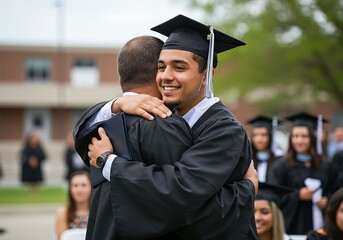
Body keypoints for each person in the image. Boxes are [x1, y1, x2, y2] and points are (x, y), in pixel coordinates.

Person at [77, 15, 257, 240]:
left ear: (206, 75)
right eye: (161, 67)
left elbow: (180, 194)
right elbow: (82, 136)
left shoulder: (223, 129)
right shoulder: (158, 116)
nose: (166, 77)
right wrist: (116, 104)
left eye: (179, 67)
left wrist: (107, 162)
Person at [269, 112, 339, 235]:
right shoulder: (281, 166)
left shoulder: (326, 165)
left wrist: (328, 200)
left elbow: (336, 189)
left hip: (323, 228)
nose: (299, 141)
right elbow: (273, 195)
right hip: (292, 228)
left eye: (304, 136)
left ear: (312, 138)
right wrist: (297, 195)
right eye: (295, 136)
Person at [55, 170, 91, 240]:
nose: (79, 189)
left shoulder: (99, 212)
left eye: (84, 185)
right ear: (70, 189)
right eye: (75, 185)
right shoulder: (63, 213)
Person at [247, 115, 283, 182]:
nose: (259, 140)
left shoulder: (280, 160)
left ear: (271, 136)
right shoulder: (248, 160)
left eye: (263, 135)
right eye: (255, 135)